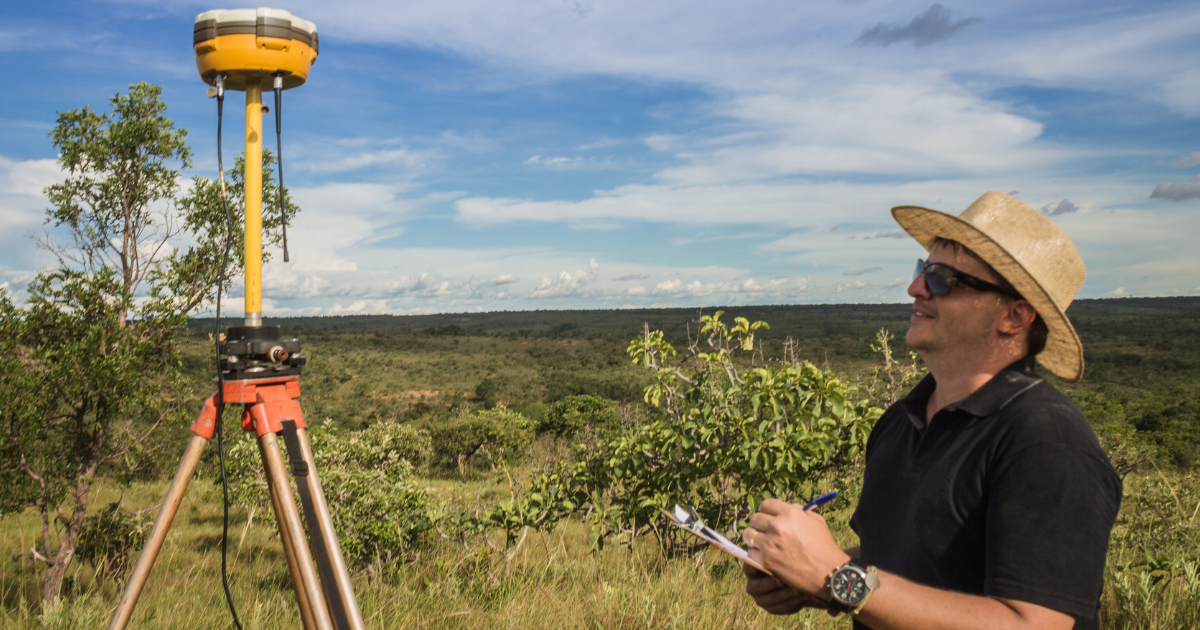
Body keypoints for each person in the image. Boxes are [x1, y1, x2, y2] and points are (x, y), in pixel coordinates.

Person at [740, 191, 1122, 630]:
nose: (915, 288)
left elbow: (1033, 624)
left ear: (1015, 317)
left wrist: (836, 578)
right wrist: (802, 575)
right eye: (923, 270)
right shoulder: (900, 423)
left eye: (943, 279)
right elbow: (899, 557)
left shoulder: (1046, 441)